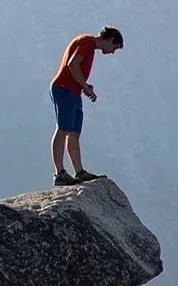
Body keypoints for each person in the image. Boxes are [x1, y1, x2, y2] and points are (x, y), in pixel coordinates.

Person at [49, 26, 125, 186]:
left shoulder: (89, 46)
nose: (112, 52)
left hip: (73, 91)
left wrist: (83, 86)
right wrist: (85, 86)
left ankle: (79, 171)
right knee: (63, 129)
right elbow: (73, 64)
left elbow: (75, 68)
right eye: (114, 48)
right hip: (64, 88)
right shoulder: (88, 42)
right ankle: (60, 173)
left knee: (74, 132)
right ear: (110, 40)